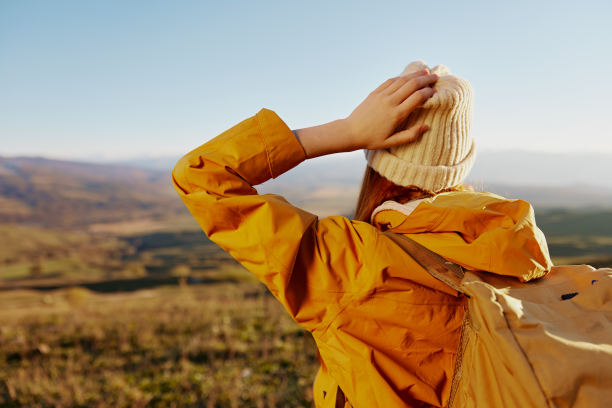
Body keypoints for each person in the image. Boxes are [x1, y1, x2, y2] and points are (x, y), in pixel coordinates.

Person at [172, 61, 552, 408]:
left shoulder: (348, 263)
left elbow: (201, 176)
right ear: (459, 161)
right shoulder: (516, 244)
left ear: (378, 151)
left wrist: (348, 131)